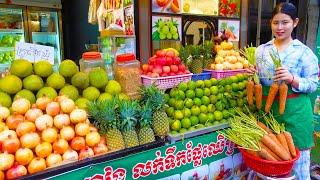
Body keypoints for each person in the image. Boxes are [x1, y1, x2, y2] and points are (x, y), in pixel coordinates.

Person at [247, 2, 319, 179]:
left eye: (285, 22)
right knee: (268, 159)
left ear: (295, 22)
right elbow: (261, 82)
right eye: (275, 22)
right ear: (270, 23)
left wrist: (292, 79)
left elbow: (313, 84)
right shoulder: (261, 51)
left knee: (297, 164)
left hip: (295, 114)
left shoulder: (304, 52)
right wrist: (252, 74)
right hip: (268, 112)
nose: (279, 27)